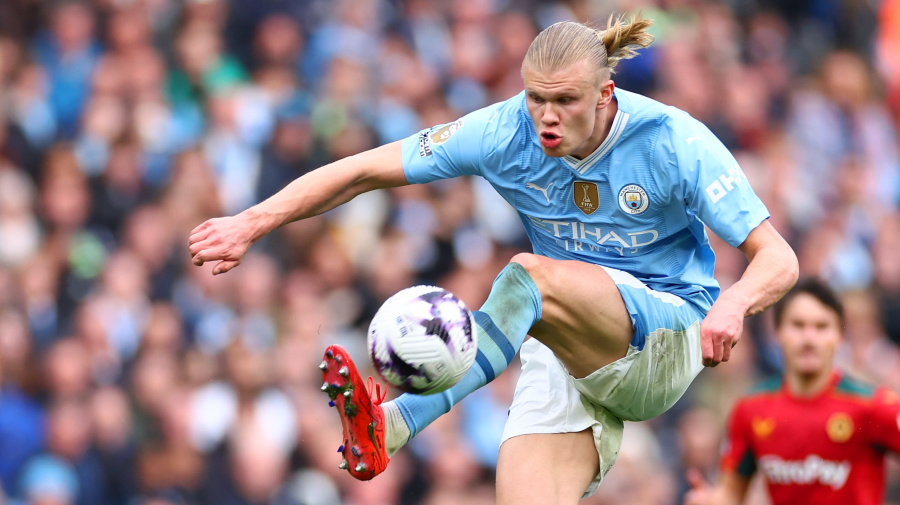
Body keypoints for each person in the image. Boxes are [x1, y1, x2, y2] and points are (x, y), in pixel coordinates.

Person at [188, 14, 799, 504]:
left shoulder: (674, 140)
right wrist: (252, 220)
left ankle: (396, 422)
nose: (547, 116)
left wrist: (735, 304)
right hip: (562, 341)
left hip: (666, 332)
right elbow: (365, 170)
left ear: (606, 93)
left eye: (564, 100)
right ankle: (389, 431)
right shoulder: (505, 130)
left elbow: (778, 257)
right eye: (536, 99)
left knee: (526, 276)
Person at [684, 279, 900, 505]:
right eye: (798, 325)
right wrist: (708, 501)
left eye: (821, 327)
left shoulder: (873, 406)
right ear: (777, 334)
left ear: (840, 337)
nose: (809, 338)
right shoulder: (751, 408)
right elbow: (731, 493)